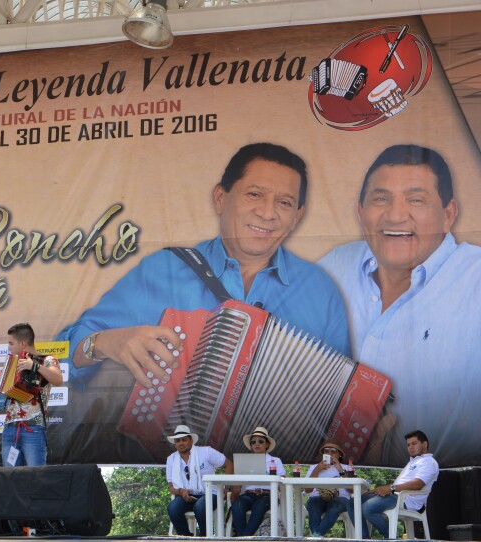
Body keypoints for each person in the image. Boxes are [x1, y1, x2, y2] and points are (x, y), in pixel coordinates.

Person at [58, 142, 350, 390]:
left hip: (279, 455)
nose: (267, 213)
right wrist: (105, 342)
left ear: (297, 216)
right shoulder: (164, 270)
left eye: (284, 203)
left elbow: (343, 397)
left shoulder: (321, 290)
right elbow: (59, 357)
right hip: (181, 452)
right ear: (220, 198)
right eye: (254, 194)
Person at [318, 144, 481, 466]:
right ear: (361, 211)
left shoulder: (476, 280)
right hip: (335, 486)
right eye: (381, 198)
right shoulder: (332, 268)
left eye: (416, 199)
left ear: (448, 214)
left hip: (453, 497)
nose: (395, 214)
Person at [349, 430, 438, 539]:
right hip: (395, 495)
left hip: (407, 500)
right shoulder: (413, 461)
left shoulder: (429, 461)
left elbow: (418, 484)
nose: (410, 447)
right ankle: (364, 539)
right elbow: (400, 483)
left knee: (367, 508)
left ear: (424, 444)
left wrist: (390, 488)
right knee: (352, 503)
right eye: (408, 445)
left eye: (414, 444)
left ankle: (391, 538)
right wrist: (380, 489)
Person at [1, 323, 63, 466]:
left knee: (35, 478)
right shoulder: (13, 363)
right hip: (10, 428)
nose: (9, 347)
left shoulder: (46, 360)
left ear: (23, 343)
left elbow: (58, 379)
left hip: (33, 428)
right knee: (10, 478)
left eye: (11, 343)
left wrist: (34, 366)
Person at [165, 424, 233, 536]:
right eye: (177, 441)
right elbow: (171, 486)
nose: (181, 443)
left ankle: (205, 537)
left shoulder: (206, 452)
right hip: (186, 496)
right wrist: (182, 491)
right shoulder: (171, 459)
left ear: (191, 441)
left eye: (184, 440)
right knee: (172, 508)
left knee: (200, 506)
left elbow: (228, 464)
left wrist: (228, 487)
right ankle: (187, 538)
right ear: (175, 443)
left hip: (210, 494)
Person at [229, 426, 285, 537]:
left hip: (267, 495)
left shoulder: (275, 460)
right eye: (253, 442)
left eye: (260, 441)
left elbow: (282, 482)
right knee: (237, 505)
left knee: (259, 507)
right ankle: (246, 538)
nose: (256, 444)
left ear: (267, 444)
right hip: (248, 494)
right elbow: (237, 485)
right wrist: (236, 486)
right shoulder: (244, 461)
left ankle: (242, 539)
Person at [304, 439, 352, 537]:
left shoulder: (346, 467)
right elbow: (307, 490)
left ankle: (316, 535)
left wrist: (340, 469)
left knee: (335, 507)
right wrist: (317, 470)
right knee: (313, 505)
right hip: (318, 497)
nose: (330, 453)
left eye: (333, 451)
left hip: (339, 498)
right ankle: (317, 536)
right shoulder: (314, 467)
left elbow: (352, 489)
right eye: (326, 451)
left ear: (339, 455)